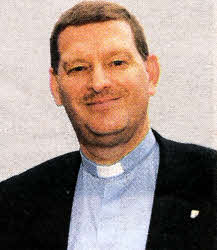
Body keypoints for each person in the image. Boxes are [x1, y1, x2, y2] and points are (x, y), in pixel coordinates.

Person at [0, 1, 216, 249]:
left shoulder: (210, 181)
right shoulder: (12, 203)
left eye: (117, 63)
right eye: (79, 68)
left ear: (151, 74)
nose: (99, 83)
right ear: (56, 87)